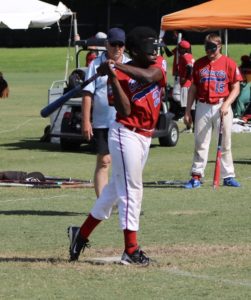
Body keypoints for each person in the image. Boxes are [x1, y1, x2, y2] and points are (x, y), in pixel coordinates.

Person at [68, 26, 167, 265]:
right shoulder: (119, 75)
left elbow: (148, 77)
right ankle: (131, 250)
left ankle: (79, 235)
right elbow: (124, 110)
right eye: (149, 47)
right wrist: (113, 76)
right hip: (125, 135)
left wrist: (115, 67)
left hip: (144, 136)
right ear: (136, 51)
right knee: (132, 190)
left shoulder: (158, 64)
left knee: (113, 190)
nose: (155, 51)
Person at [184, 33, 242, 189]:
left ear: (220, 46)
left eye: (212, 48)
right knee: (200, 142)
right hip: (203, 105)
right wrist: (188, 110)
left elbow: (236, 87)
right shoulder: (199, 64)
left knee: (225, 143)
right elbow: (193, 88)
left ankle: (228, 176)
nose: (209, 51)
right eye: (207, 48)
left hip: (222, 105)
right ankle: (196, 176)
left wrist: (226, 104)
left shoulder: (229, 63)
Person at [82, 28, 130, 197]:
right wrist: (86, 121)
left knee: (124, 163)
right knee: (104, 161)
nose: (117, 48)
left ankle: (124, 200)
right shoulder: (94, 65)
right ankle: (102, 203)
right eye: (113, 44)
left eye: (120, 45)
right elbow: (87, 93)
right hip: (102, 121)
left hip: (125, 122)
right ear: (106, 44)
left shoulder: (129, 65)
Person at [177, 40, 195, 131]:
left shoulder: (185, 57)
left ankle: (189, 127)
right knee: (192, 107)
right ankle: (193, 127)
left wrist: (184, 78)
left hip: (186, 84)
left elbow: (190, 68)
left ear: (184, 49)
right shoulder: (190, 56)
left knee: (187, 107)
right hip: (190, 84)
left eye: (180, 48)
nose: (178, 50)